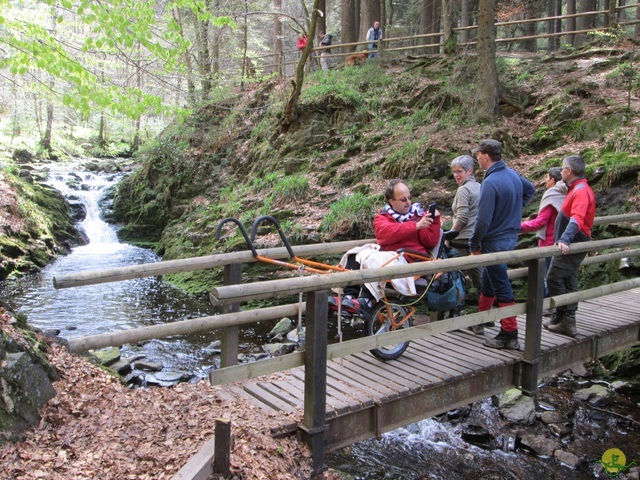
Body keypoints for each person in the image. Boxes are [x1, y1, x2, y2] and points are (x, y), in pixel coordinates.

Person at [329, 179, 441, 315]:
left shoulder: (419, 215)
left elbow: (430, 242)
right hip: (391, 256)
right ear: (391, 201)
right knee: (355, 254)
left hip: (410, 259)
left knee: (375, 259)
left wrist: (434, 222)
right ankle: (349, 296)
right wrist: (414, 226)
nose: (408, 202)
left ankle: (366, 301)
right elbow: (385, 234)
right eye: (403, 199)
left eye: (409, 198)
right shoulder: (381, 218)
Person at [469, 139, 535, 350]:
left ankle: (509, 332)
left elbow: (483, 221)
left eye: (477, 155)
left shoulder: (490, 182)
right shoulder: (513, 174)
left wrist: (473, 243)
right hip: (510, 237)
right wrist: (515, 213)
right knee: (490, 277)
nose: (477, 158)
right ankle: (482, 318)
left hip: (495, 240)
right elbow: (530, 190)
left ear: (485, 156)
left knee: (500, 282)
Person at [545, 155, 596, 337]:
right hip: (575, 239)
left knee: (553, 277)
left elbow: (577, 218)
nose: (560, 171)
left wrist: (565, 239)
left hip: (574, 240)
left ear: (569, 171)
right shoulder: (577, 188)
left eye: (562, 168)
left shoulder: (580, 190)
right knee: (569, 278)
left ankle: (565, 317)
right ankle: (565, 319)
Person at [448, 154, 485, 333]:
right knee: (480, 279)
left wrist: (448, 237)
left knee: (457, 278)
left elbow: (462, 218)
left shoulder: (464, 190)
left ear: (469, 171)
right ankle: (484, 316)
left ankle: (455, 317)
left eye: (459, 171)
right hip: (477, 241)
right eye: (454, 172)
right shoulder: (481, 187)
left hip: (462, 240)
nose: (456, 175)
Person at [520, 166, 567, 299]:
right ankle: (559, 307)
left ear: (552, 180)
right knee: (559, 276)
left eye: (547, 177)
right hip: (563, 240)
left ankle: (547, 306)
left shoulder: (552, 195)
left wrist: (519, 226)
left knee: (547, 278)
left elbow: (540, 222)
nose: (545, 180)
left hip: (549, 242)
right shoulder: (567, 193)